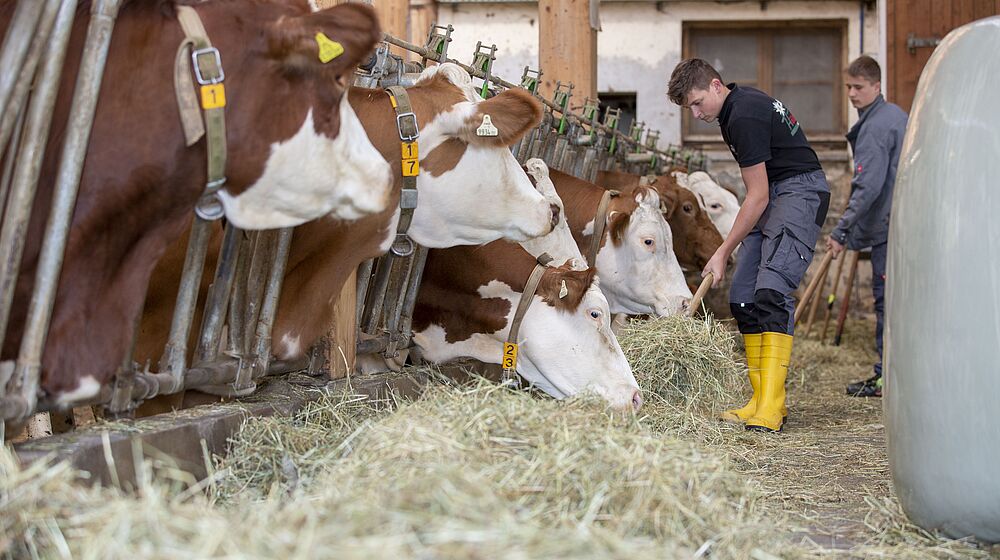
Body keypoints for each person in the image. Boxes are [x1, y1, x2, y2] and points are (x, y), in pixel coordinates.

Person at [668, 59, 830, 432]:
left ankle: (772, 406)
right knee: (743, 297)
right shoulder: (732, 112)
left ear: (714, 85)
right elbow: (758, 193)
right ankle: (760, 399)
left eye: (696, 103)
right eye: (689, 109)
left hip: (799, 191)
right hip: (774, 194)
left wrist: (722, 251)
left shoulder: (743, 114)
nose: (696, 113)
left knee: (772, 291)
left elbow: (755, 196)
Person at [825, 55, 908, 398]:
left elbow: (869, 186)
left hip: (889, 227)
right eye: (848, 86)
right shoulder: (895, 116)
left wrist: (842, 231)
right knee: (897, 303)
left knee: (886, 302)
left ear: (877, 86)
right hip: (900, 223)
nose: (852, 93)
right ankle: (895, 374)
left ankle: (886, 377)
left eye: (858, 87)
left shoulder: (875, 127)